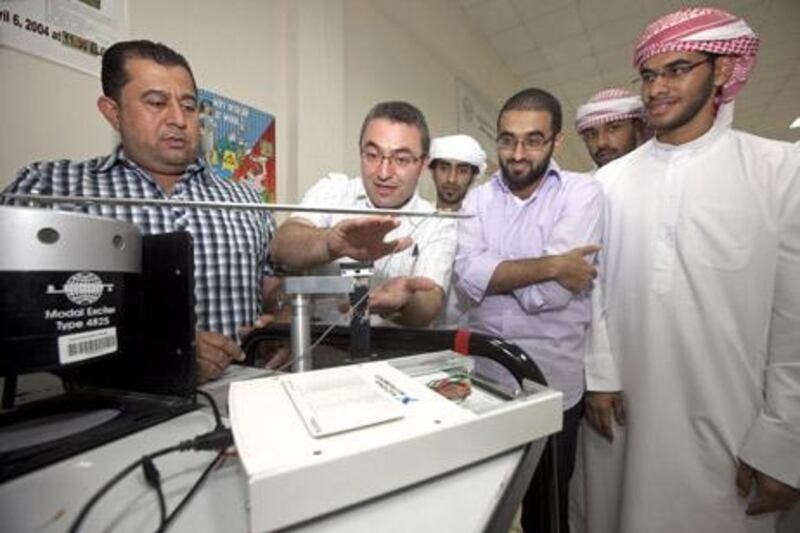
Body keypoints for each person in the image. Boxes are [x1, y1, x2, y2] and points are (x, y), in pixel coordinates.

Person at [585, 7, 800, 533]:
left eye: (677, 69)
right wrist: (600, 372)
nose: (657, 88)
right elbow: (589, 286)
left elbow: (795, 318)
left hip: (732, 419)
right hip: (622, 414)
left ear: (722, 71)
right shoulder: (609, 183)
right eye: (650, 75)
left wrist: (784, 440)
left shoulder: (779, 170)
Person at [2, 40, 275, 383]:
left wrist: (281, 324)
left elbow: (271, 286)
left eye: (189, 106)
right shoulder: (50, 189)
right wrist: (157, 349)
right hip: (97, 413)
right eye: (156, 103)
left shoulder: (246, 200)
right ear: (112, 112)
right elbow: (15, 314)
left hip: (241, 404)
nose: (178, 119)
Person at [453, 88, 603, 533]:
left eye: (533, 140)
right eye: (507, 139)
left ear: (555, 141)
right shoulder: (477, 200)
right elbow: (466, 276)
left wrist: (495, 275)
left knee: (546, 509)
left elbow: (552, 296)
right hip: (484, 382)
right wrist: (554, 264)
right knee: (481, 506)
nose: (517, 154)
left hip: (553, 385)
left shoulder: (583, 193)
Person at [270, 101, 455, 327]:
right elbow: (281, 245)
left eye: (402, 159)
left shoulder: (437, 223)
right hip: (320, 350)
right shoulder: (334, 189)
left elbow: (429, 304)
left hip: (394, 353)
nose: (384, 173)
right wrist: (330, 244)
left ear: (424, 163)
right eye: (372, 154)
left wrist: (406, 300)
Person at [427, 134, 486, 328]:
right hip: (417, 335)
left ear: (473, 176)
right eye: (444, 168)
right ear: (432, 171)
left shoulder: (482, 226)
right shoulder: (416, 219)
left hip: (467, 337)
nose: (451, 179)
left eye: (462, 170)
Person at [574, 88, 647, 169]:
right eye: (591, 135)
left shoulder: (661, 172)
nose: (601, 143)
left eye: (612, 129)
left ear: (638, 128)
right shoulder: (586, 181)